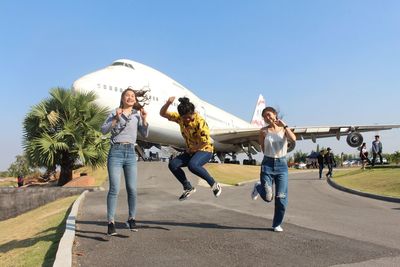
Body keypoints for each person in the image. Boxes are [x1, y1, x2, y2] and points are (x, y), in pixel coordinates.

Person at [101, 88, 149, 236]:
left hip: (130, 153)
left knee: (132, 189)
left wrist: (145, 119)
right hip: (115, 152)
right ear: (122, 98)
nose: (130, 98)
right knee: (114, 188)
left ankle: (132, 219)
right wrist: (115, 118)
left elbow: (145, 134)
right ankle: (111, 222)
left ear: (135, 100)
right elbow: (103, 130)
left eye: (132, 96)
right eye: (127, 95)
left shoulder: (137, 116)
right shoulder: (114, 112)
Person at [160, 96, 222, 201]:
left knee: (192, 165)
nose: (187, 120)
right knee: (173, 164)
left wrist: (192, 149)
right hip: (191, 151)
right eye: (184, 118)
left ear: (193, 113)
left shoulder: (200, 122)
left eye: (189, 117)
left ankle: (214, 184)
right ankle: (188, 187)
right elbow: (163, 113)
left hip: (205, 150)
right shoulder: (180, 119)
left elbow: (205, 142)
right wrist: (168, 104)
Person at [250, 107, 296, 232]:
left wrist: (285, 126)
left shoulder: (284, 129)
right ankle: (259, 187)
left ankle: (276, 224)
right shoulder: (263, 131)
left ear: (275, 115)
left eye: (269, 115)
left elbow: (293, 139)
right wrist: (270, 157)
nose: (267, 118)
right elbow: (263, 148)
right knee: (268, 197)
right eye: (264, 116)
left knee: (281, 198)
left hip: (282, 166)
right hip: (268, 164)